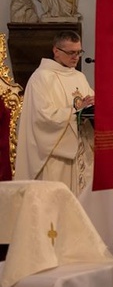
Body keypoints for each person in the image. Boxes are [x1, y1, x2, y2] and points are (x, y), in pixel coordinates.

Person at [15, 31, 94, 195]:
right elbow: (44, 118)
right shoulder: (42, 78)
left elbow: (88, 106)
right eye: (71, 52)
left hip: (80, 152)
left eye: (79, 52)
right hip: (56, 156)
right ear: (56, 51)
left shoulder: (79, 77)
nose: (76, 57)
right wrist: (77, 111)